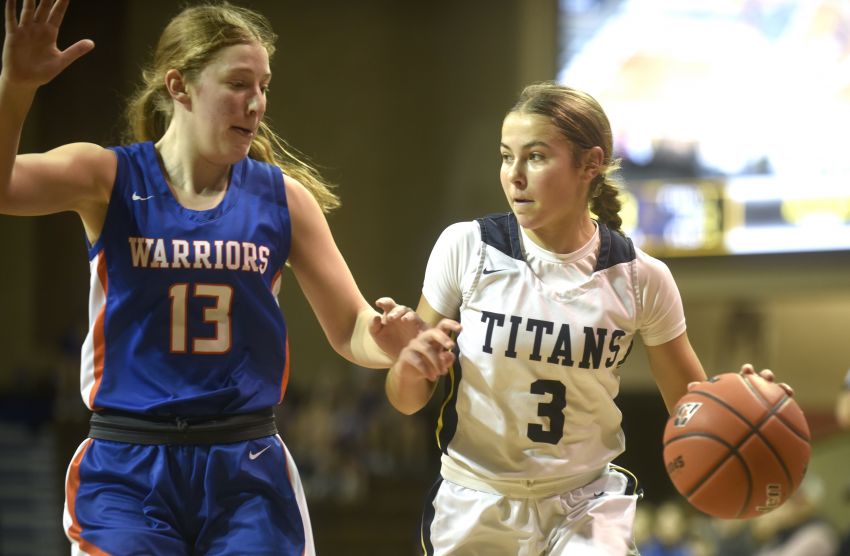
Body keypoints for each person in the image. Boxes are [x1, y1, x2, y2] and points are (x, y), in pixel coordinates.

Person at [0, 0, 419, 554]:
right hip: (129, 463)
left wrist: (384, 339)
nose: (257, 102)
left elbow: (351, 329)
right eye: (239, 84)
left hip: (245, 466)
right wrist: (16, 87)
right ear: (180, 86)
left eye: (264, 86)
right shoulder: (107, 176)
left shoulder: (283, 199)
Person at [385, 81, 792, 555]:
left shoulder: (642, 277)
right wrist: (410, 367)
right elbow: (406, 401)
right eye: (505, 156)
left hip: (587, 501)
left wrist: (746, 406)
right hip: (475, 496)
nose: (514, 175)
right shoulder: (466, 247)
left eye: (535, 157)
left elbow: (691, 406)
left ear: (590, 164)